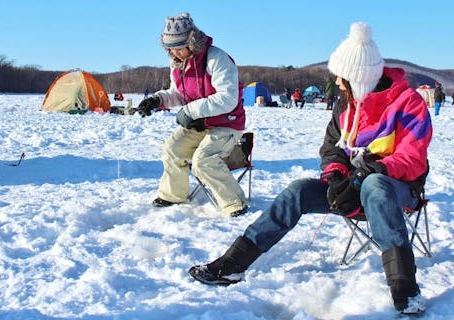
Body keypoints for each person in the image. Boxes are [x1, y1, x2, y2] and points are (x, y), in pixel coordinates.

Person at [188, 22, 433, 315]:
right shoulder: (345, 105)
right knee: (298, 191)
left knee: (375, 185)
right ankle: (232, 265)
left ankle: (406, 290)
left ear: (360, 79)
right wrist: (335, 174)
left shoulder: (408, 104)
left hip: (397, 190)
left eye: (342, 79)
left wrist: (368, 170)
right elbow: (331, 148)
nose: (338, 85)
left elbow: (413, 159)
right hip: (352, 187)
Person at [136, 12, 248, 217]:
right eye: (170, 48)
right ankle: (173, 195)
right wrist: (158, 100)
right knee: (172, 148)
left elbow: (228, 99)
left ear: (192, 42)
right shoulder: (178, 63)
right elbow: (179, 94)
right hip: (199, 124)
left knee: (203, 160)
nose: (174, 53)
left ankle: (235, 202)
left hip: (227, 124)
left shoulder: (217, 59)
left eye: (179, 47)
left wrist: (191, 110)